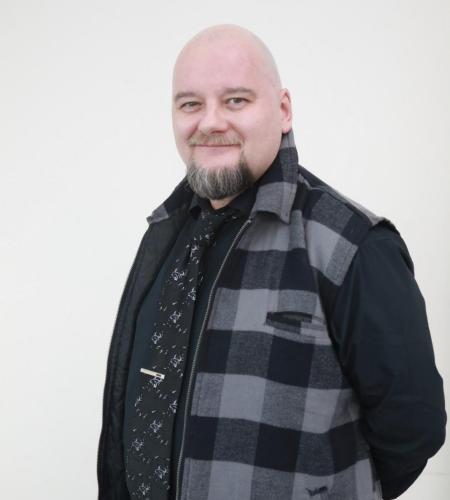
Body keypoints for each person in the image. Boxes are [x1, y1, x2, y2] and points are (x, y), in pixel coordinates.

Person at [97, 24, 446, 500]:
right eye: (190, 104)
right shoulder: (162, 235)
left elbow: (413, 428)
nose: (210, 122)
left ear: (283, 110)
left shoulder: (353, 245)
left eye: (236, 100)